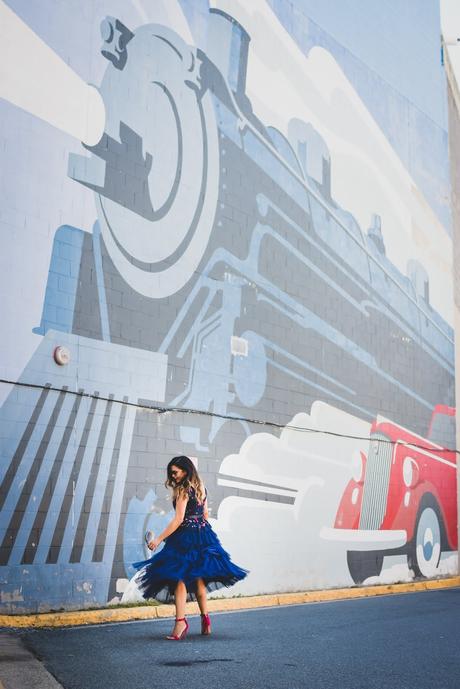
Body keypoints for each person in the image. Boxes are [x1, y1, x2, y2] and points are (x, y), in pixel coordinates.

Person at [133, 455, 249, 640]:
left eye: (175, 472)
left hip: (186, 536)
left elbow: (178, 519)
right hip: (203, 534)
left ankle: (180, 622)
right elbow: (204, 514)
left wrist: (159, 539)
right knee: (199, 580)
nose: (173, 477)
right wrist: (200, 533)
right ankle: (206, 620)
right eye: (172, 474)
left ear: (185, 470)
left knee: (180, 578)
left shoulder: (183, 490)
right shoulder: (201, 487)